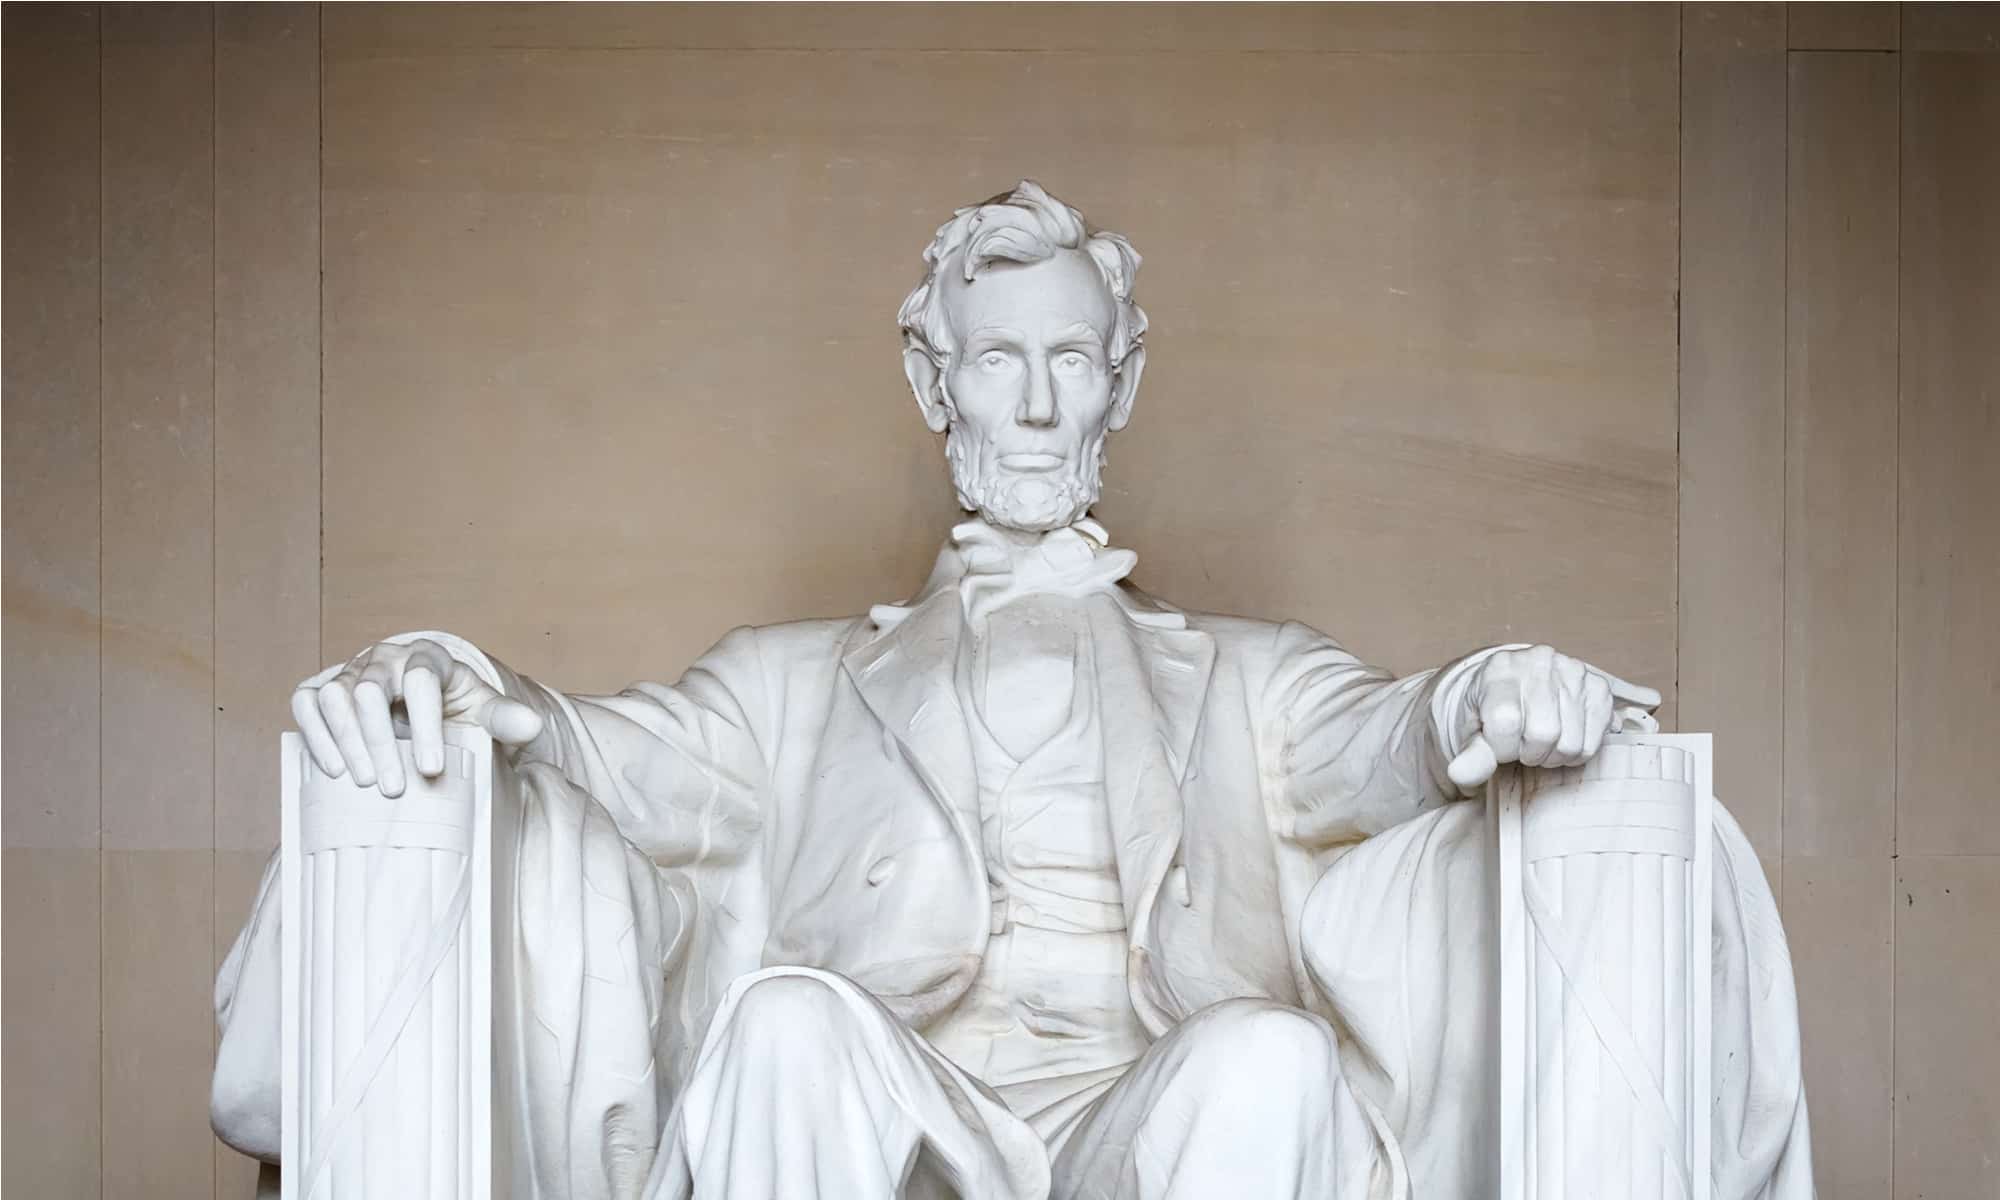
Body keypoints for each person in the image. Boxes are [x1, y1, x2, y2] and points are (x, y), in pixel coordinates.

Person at [214, 181, 1811, 1199]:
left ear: (1120, 382)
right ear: (934, 382)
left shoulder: (1243, 682)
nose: (1037, 402)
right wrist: (447, 672)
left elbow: (1395, 738)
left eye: (1072, 360)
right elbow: (589, 749)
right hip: (895, 1118)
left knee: (1276, 1059)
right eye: (997, 359)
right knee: (779, 1027)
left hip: (1146, 1120)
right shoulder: (789, 689)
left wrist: (1488, 690)